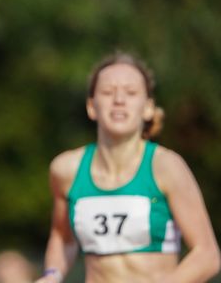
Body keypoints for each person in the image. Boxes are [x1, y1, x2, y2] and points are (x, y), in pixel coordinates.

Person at [36, 52, 221, 283]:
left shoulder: (166, 166)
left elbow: (207, 255)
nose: (119, 100)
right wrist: (53, 275)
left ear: (148, 108)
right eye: (107, 92)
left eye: (131, 93)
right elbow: (63, 238)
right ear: (92, 106)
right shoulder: (66, 170)